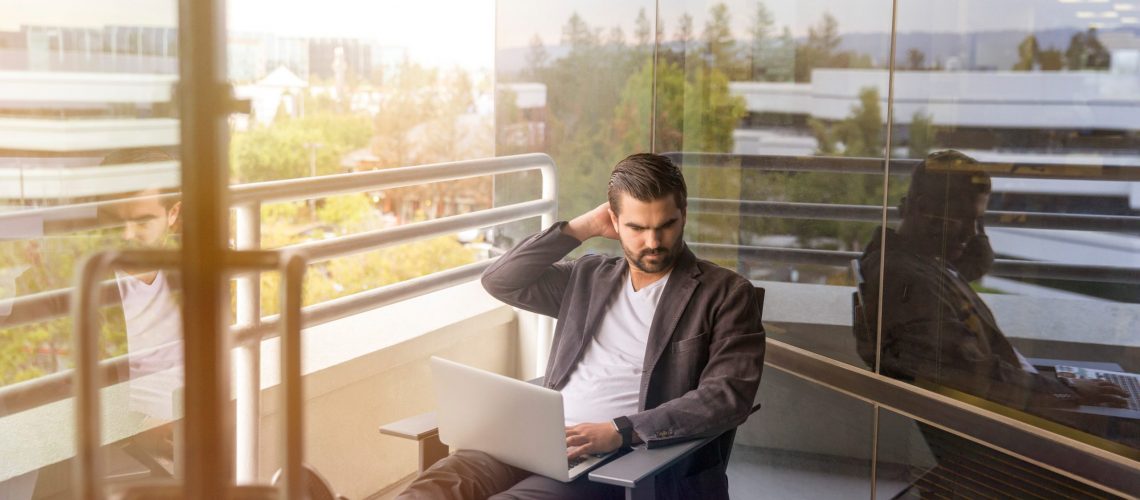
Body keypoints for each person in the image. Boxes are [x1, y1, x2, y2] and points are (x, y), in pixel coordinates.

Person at [397, 153, 766, 499]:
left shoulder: (726, 294)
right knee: (437, 487)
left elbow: (727, 398)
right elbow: (501, 280)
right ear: (614, 222)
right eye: (636, 227)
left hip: (618, 459)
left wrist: (620, 432)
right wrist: (579, 228)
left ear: (683, 214)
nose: (653, 242)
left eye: (666, 225)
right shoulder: (590, 277)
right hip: (536, 437)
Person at [855, 149, 1127, 412]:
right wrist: (1065, 390)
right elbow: (973, 374)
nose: (971, 233)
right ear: (923, 208)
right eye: (962, 218)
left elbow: (973, 264)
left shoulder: (914, 259)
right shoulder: (910, 283)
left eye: (978, 221)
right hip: (1021, 409)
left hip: (1023, 385)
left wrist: (973, 230)